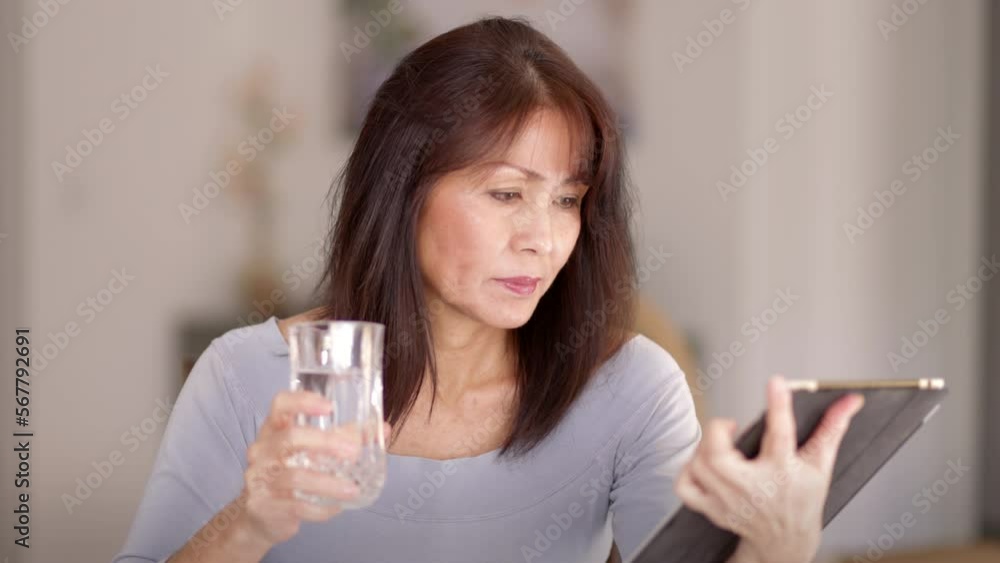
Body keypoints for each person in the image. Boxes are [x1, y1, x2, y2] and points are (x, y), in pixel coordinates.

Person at [113, 16, 863, 563]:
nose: (543, 236)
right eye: (506, 194)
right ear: (401, 192)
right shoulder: (246, 376)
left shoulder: (629, 387)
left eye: (568, 199)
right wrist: (249, 520)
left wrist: (779, 549)